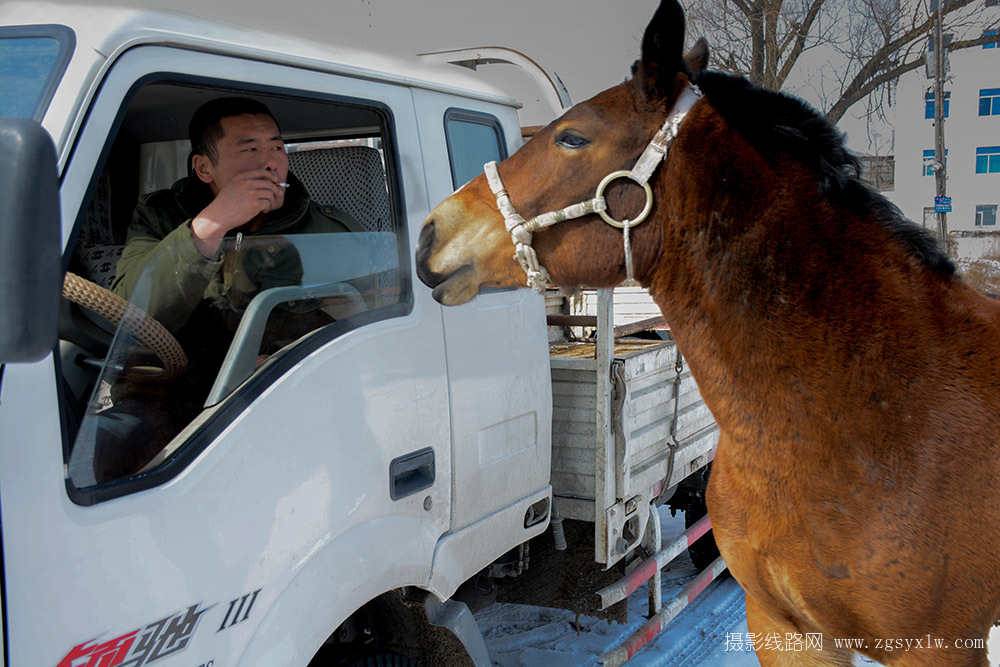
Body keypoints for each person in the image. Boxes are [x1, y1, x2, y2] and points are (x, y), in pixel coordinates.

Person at [88, 96, 363, 483]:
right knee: (89, 460)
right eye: (250, 148)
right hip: (166, 395)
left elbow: (371, 324)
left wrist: (291, 361)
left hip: (279, 396)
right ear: (204, 167)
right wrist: (211, 224)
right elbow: (133, 312)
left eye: (277, 147)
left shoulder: (328, 232)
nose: (270, 161)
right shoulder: (160, 214)